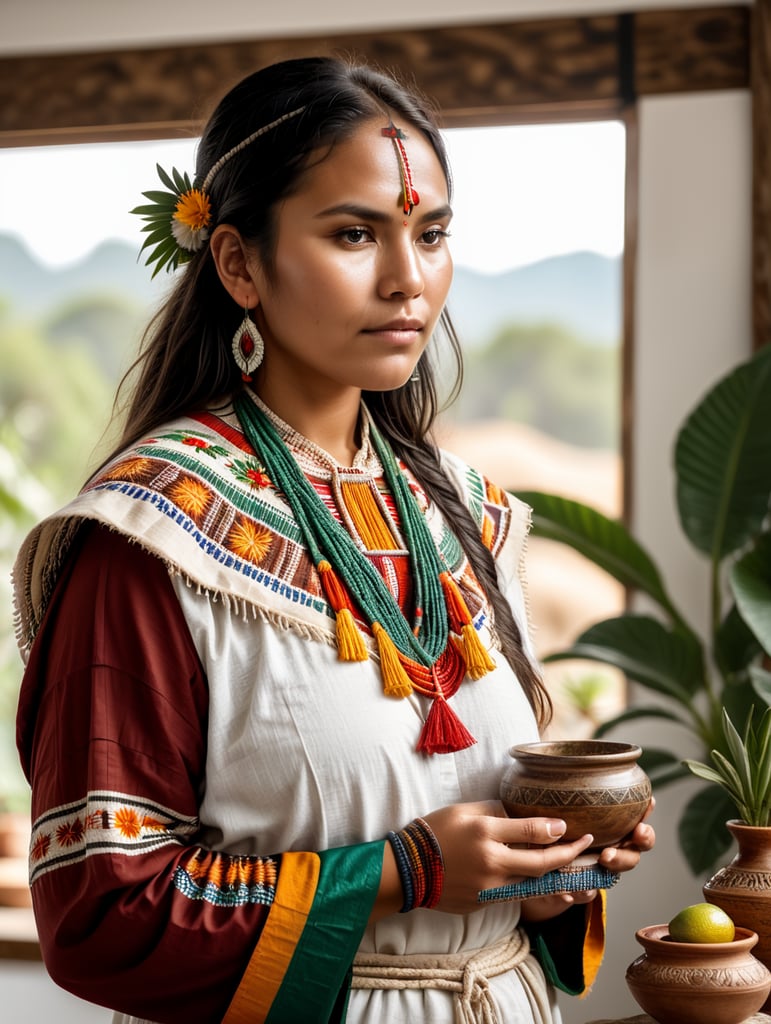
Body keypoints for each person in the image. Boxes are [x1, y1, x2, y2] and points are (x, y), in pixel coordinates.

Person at [12, 56, 654, 1024]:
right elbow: (103, 915)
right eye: (355, 233)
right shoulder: (150, 538)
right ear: (237, 263)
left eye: (431, 234)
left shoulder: (466, 517)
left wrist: (546, 872)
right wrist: (403, 869)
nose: (408, 278)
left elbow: (475, 858)